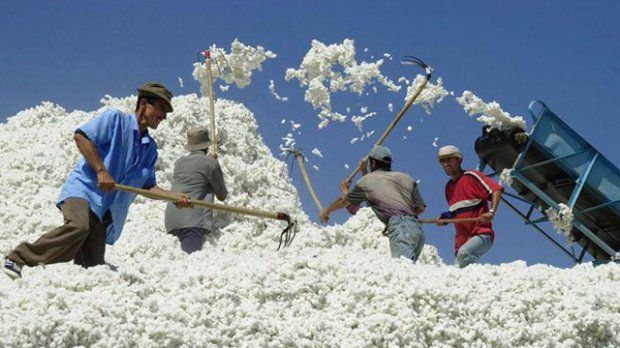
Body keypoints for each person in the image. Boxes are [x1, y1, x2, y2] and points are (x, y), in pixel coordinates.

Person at [3, 82, 191, 279]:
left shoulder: (149, 148)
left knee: (93, 269)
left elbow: (147, 186)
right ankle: (18, 258)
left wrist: (173, 196)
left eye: (166, 112)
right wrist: (101, 170)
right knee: (78, 227)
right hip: (83, 192)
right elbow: (81, 137)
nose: (163, 116)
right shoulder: (116, 120)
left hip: (105, 211)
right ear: (144, 103)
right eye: (161, 108)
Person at [319, 146, 427, 262]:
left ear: (373, 162)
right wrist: (402, 218)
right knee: (408, 270)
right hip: (417, 231)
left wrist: (327, 210)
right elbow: (420, 208)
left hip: (401, 230)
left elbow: (345, 201)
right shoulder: (406, 178)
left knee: (404, 269)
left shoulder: (366, 182)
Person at [436, 145, 503, 268]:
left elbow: (496, 190)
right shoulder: (448, 188)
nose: (446, 164)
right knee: (458, 271)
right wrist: (446, 217)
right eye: (443, 161)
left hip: (481, 235)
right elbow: (458, 211)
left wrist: (491, 211)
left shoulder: (472, 176)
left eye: (449, 159)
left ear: (459, 160)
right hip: (462, 242)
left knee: (465, 254)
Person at [164, 127, 228, 254]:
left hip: (172, 219)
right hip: (192, 221)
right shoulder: (210, 163)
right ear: (206, 146)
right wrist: (215, 164)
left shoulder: (179, 163)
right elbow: (222, 195)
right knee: (190, 261)